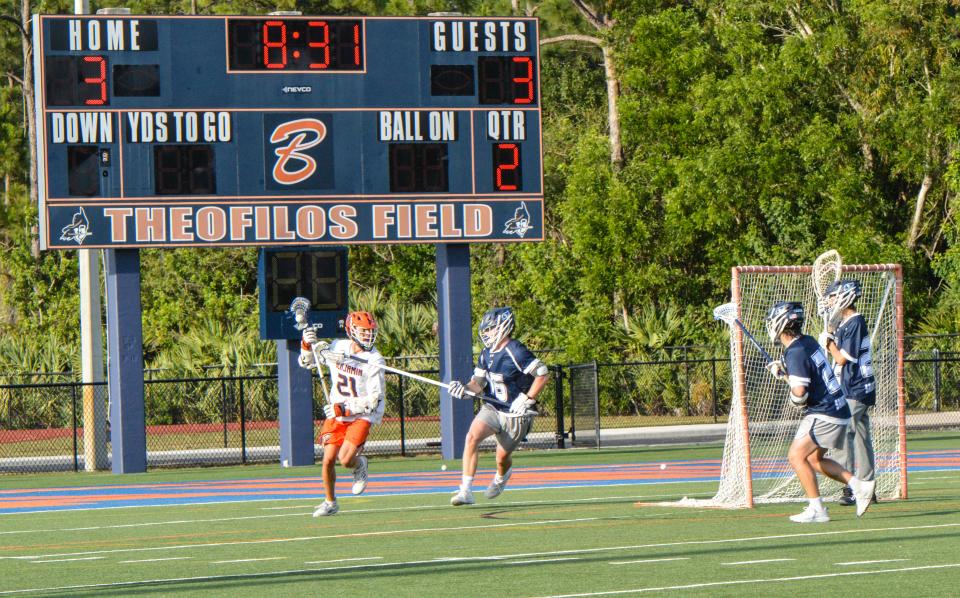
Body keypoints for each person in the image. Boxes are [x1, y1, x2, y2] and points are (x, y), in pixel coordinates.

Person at [764, 301, 875, 522]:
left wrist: (793, 392)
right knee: (814, 459)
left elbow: (800, 395)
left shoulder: (794, 352)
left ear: (779, 323)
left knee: (796, 456)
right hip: (836, 408)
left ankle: (818, 509)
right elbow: (809, 377)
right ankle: (859, 486)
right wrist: (784, 372)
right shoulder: (807, 342)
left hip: (825, 412)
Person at [447, 307, 549, 506]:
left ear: (504, 327)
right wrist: (463, 389)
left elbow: (543, 373)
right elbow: (478, 383)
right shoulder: (486, 354)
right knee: (471, 437)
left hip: (515, 414)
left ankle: (502, 477)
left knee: (501, 458)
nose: (487, 333)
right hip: (492, 407)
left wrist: (529, 398)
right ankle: (466, 490)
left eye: (491, 328)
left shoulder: (516, 351)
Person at [299, 311, 386, 517]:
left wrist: (345, 408)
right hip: (337, 413)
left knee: (345, 459)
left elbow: (375, 399)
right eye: (363, 331)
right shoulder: (338, 346)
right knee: (328, 459)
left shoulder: (375, 359)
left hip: (361, 414)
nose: (368, 336)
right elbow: (308, 362)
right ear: (351, 331)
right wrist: (306, 343)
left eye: (370, 332)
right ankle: (330, 502)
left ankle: (360, 464)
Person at [820, 279, 877, 507]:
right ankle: (867, 486)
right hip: (856, 388)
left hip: (855, 388)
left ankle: (853, 487)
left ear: (844, 297)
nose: (830, 301)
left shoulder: (855, 322)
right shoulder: (846, 324)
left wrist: (830, 343)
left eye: (833, 297)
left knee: (844, 435)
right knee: (862, 438)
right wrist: (831, 335)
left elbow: (843, 358)